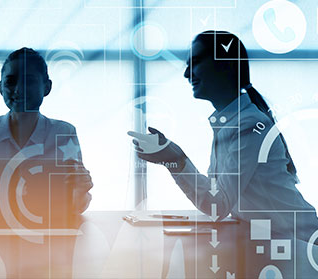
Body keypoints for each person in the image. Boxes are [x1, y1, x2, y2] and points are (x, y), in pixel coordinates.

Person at [128, 30, 318, 276]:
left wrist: (175, 160)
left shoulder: (247, 125)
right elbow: (219, 198)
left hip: (301, 249)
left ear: (225, 65)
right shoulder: (231, 122)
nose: (187, 74)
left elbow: (217, 205)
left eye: (195, 63)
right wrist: (173, 159)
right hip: (279, 247)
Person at [0, 47, 93, 215]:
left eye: (29, 81)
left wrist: (81, 190)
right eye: (10, 81)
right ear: (0, 88)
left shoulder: (63, 134)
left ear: (47, 87)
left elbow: (76, 204)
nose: (19, 89)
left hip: (47, 231)